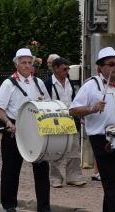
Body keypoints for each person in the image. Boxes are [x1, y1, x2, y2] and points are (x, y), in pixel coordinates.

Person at [69, 47, 115, 212]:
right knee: (111, 179)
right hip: (102, 137)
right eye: (111, 64)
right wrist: (92, 108)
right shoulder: (91, 86)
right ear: (100, 68)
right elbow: (73, 110)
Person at [0, 48, 57, 212]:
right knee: (11, 169)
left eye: (29, 62)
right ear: (16, 64)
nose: (27, 65)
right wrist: (8, 123)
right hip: (15, 130)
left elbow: (48, 105)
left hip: (36, 131)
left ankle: (44, 209)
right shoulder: (8, 83)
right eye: (23, 62)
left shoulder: (39, 83)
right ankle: (10, 204)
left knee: (42, 169)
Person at [43, 57, 86, 187]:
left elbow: (73, 100)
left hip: (71, 119)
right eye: (64, 69)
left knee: (74, 149)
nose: (67, 71)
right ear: (55, 68)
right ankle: (55, 178)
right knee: (56, 149)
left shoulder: (69, 82)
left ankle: (74, 176)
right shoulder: (48, 83)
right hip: (56, 120)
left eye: (68, 69)